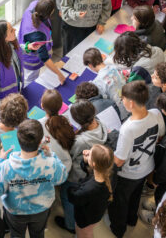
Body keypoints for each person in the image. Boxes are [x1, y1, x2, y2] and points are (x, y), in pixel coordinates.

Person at [0, 119, 67, 238]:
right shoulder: (51, 163)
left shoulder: (5, 167)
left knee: (17, 235)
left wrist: (0, 161)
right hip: (42, 210)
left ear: (18, 141)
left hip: (15, 212)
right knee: (38, 234)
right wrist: (51, 155)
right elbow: (62, 178)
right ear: (40, 141)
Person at [108, 81, 166, 238]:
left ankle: (118, 229)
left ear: (131, 103)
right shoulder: (156, 113)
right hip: (147, 167)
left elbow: (119, 161)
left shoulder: (128, 128)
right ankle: (131, 219)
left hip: (129, 174)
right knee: (135, 196)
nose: (122, 102)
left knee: (119, 203)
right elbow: (160, 134)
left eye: (123, 99)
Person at [55, 99, 109, 234]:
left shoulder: (80, 141)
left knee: (66, 196)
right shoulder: (99, 123)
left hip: (76, 175)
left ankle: (69, 224)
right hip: (88, 172)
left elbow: (69, 155)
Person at [68, 144, 114, 238]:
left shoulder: (89, 189)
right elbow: (89, 171)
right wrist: (86, 160)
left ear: (94, 164)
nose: (87, 152)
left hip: (85, 219)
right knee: (87, 232)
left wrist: (69, 187)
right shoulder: (107, 174)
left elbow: (73, 196)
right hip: (94, 215)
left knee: (84, 233)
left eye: (90, 153)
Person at [18, 0, 66, 84]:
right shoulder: (38, 34)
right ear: (49, 13)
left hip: (24, 44)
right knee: (30, 81)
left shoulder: (34, 4)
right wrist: (59, 74)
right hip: (31, 60)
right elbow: (44, 58)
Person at [84, 47, 128, 118]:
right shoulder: (114, 67)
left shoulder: (97, 82)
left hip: (120, 112)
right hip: (131, 100)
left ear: (90, 65)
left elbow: (103, 101)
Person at [39, 89, 75, 173]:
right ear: (61, 106)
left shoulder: (38, 125)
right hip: (67, 165)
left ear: (42, 105)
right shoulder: (66, 119)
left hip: (52, 170)